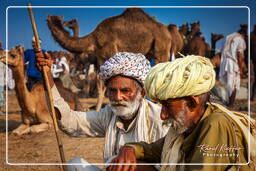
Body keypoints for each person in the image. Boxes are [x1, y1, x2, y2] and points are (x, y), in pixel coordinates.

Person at [108, 55, 256, 171]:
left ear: (192, 102)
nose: (162, 115)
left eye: (167, 106)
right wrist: (129, 149)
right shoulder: (184, 128)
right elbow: (154, 150)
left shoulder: (215, 123)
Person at [35, 51, 168, 170]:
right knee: (75, 164)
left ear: (142, 93)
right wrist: (47, 77)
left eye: (125, 91)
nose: (118, 97)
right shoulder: (108, 114)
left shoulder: (158, 119)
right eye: (112, 91)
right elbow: (69, 121)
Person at [219, 28, 247, 106]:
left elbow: (221, 51)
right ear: (243, 35)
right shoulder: (240, 39)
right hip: (233, 63)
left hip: (224, 62)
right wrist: (241, 69)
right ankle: (230, 104)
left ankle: (229, 103)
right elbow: (240, 55)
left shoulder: (227, 37)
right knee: (234, 84)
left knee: (229, 84)